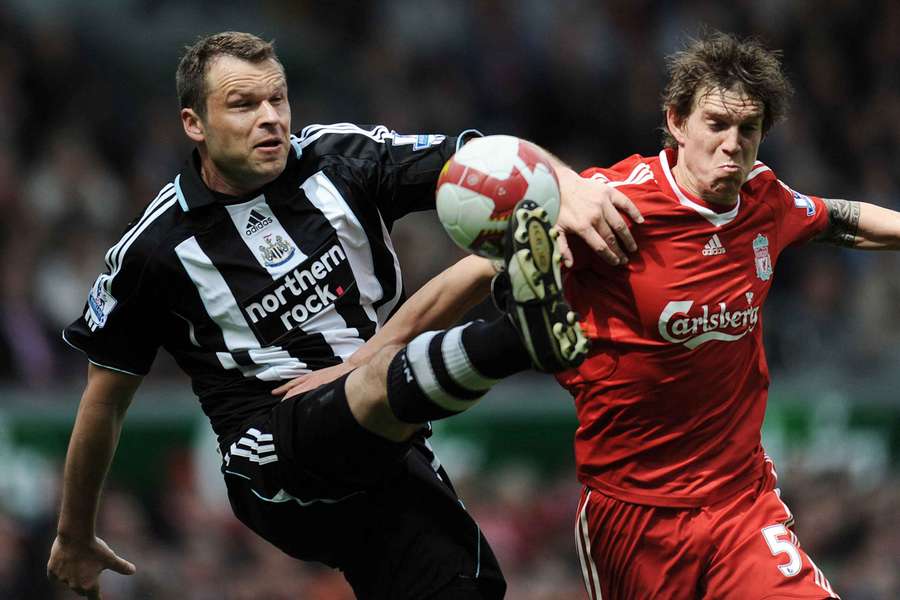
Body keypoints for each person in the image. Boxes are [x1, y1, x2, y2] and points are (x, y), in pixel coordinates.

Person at [45, 31, 641, 600]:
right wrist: (73, 534)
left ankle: (515, 325)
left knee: (464, 587)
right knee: (383, 375)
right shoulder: (153, 249)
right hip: (272, 450)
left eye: (277, 97)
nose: (270, 117)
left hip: (387, 441)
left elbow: (481, 158)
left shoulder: (341, 157)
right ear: (193, 124)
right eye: (243, 104)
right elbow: (105, 400)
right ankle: (519, 338)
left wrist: (573, 188)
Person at [324, 30, 900, 600]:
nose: (732, 145)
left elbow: (842, 220)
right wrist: (372, 358)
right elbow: (477, 271)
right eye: (716, 125)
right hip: (633, 516)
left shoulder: (765, 200)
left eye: (748, 129)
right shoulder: (607, 203)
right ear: (676, 122)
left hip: (741, 506)